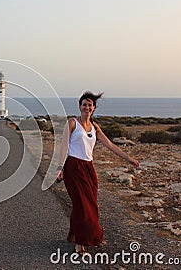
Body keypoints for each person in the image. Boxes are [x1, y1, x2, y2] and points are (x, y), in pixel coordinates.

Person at [56, 91, 139, 254]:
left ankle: (74, 233)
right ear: (79, 107)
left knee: (90, 204)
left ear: (93, 108)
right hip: (73, 167)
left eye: (90, 105)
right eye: (84, 104)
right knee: (82, 205)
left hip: (89, 168)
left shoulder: (95, 127)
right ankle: (80, 242)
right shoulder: (72, 123)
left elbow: (110, 144)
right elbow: (64, 146)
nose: (87, 107)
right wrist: (60, 168)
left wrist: (128, 158)